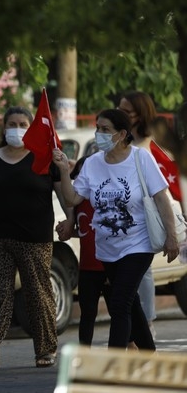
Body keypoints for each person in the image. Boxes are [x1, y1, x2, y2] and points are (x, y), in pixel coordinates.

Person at [53, 108, 179, 350]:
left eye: (105, 129)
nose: (98, 133)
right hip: (107, 248)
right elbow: (72, 199)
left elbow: (162, 198)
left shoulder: (140, 158)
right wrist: (63, 171)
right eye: (97, 128)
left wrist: (171, 237)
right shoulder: (92, 164)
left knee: (119, 302)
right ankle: (148, 351)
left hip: (138, 243)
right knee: (130, 303)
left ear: (122, 134)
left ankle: (114, 366)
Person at [0, 106, 69, 373]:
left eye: (22, 124)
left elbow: (63, 193)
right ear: (3, 128)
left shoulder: (44, 158)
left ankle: (45, 350)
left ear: (32, 129)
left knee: (38, 294)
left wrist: (70, 220)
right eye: (12, 123)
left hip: (35, 240)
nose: (17, 129)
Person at [118, 91, 161, 337]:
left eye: (127, 111)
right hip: (120, 212)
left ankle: (147, 322)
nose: (121, 113)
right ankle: (135, 323)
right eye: (119, 108)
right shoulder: (117, 138)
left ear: (139, 115)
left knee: (143, 270)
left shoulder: (149, 142)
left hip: (144, 212)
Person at [56, 155, 111, 346]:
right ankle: (83, 352)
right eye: (77, 175)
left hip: (110, 265)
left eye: (85, 174)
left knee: (120, 311)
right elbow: (84, 231)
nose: (81, 179)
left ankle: (130, 346)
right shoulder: (77, 202)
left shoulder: (105, 199)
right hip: (87, 267)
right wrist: (67, 230)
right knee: (88, 313)